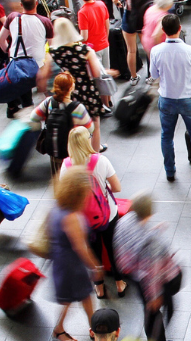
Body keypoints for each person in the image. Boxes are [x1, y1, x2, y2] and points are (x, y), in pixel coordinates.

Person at [65, 126, 125, 298]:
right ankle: (119, 283)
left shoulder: (66, 165)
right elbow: (117, 188)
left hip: (83, 219)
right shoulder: (101, 161)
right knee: (113, 248)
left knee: (93, 250)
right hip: (107, 214)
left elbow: (65, 196)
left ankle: (99, 287)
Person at [148, 14, 191, 181]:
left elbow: (153, 74)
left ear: (163, 31)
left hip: (167, 99)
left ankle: (170, 171)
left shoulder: (156, 51)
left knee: (166, 136)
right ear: (179, 28)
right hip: (188, 98)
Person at [113, 191, 180, 341]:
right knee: (153, 311)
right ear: (148, 213)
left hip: (130, 272)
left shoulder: (124, 221)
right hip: (146, 278)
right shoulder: (150, 243)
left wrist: (154, 231)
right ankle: (156, 337)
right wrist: (154, 297)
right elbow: (151, 274)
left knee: (147, 307)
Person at [48, 168, 102, 341]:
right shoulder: (71, 217)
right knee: (71, 298)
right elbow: (81, 247)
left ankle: (92, 326)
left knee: (80, 296)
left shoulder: (58, 208)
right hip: (71, 265)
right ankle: (59, 329)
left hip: (62, 261)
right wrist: (95, 267)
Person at [42, 18, 108, 147]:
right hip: (87, 91)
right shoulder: (85, 50)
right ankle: (95, 151)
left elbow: (46, 74)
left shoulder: (53, 52)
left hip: (68, 92)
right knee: (94, 123)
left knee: (72, 125)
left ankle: (75, 151)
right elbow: (96, 74)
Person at [0, 0, 52, 114]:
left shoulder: (12, 17)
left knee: (25, 95)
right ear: (36, 3)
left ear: (21, 5)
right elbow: (52, 46)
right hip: (38, 65)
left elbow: (0, 39)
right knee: (48, 92)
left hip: (18, 65)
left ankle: (23, 112)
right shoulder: (45, 21)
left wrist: (8, 51)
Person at [28, 72, 93, 174]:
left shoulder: (49, 102)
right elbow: (90, 128)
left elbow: (33, 117)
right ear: (71, 87)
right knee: (72, 181)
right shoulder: (78, 108)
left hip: (54, 150)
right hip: (72, 151)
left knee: (58, 179)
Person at [75, 0, 112, 79]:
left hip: (93, 49)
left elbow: (84, 36)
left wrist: (73, 39)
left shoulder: (82, 12)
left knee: (97, 79)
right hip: (104, 44)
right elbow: (107, 25)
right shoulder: (101, 4)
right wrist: (105, 39)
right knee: (106, 76)